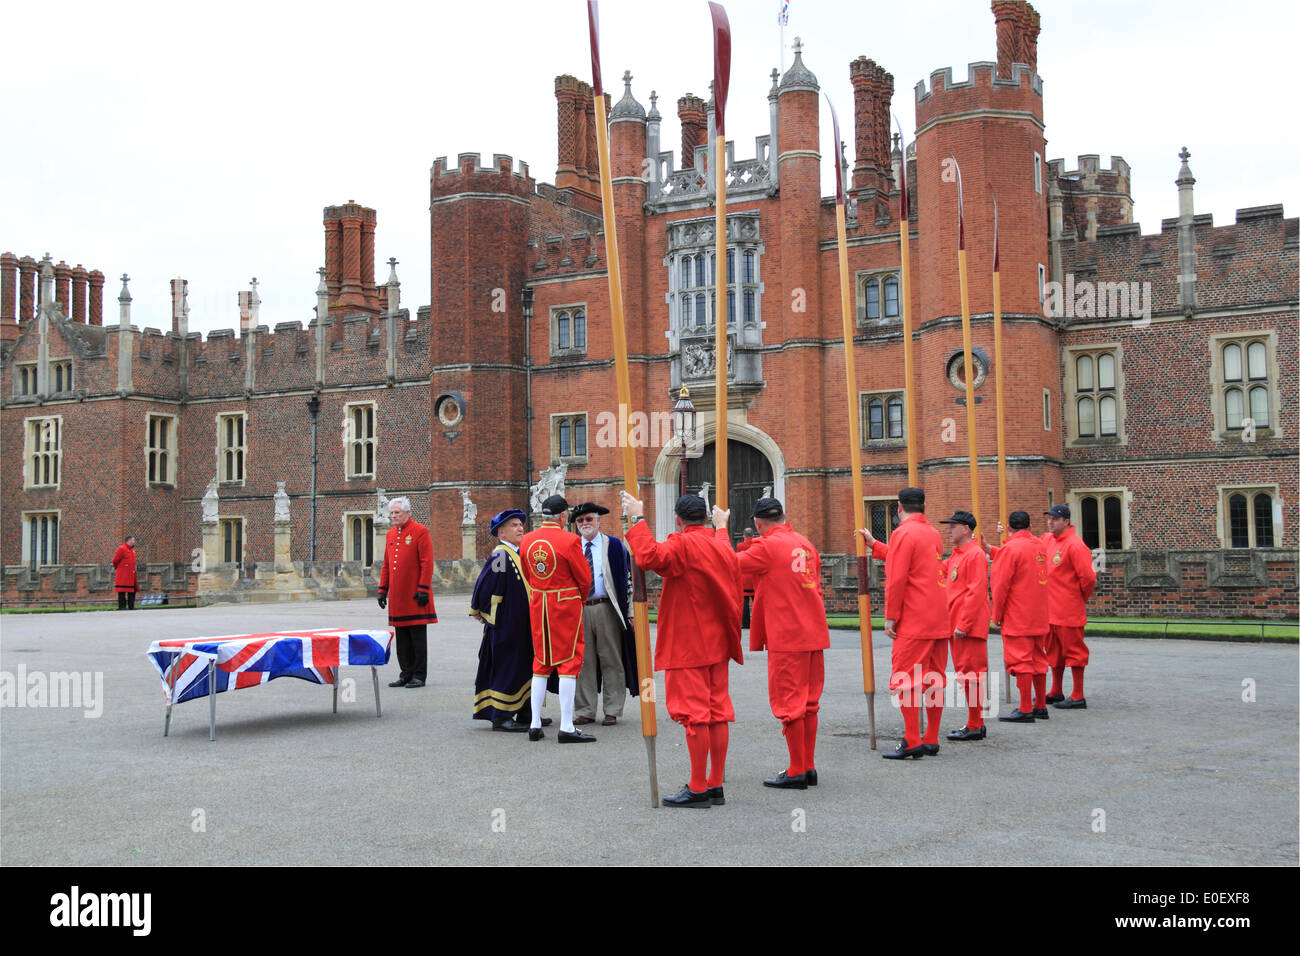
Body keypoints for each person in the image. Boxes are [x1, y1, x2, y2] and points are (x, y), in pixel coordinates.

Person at [622, 491, 742, 809]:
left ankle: (698, 787)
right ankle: (714, 783)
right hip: (717, 642)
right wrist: (722, 527)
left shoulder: (682, 543)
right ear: (705, 517)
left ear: (678, 519)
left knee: (695, 716)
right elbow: (724, 551)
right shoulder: (720, 544)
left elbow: (649, 557)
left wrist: (637, 517)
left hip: (689, 642)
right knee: (717, 713)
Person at [732, 497, 831, 790]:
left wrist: (720, 530)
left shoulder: (766, 546)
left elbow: (727, 565)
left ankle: (797, 769)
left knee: (790, 703)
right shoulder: (804, 542)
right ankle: (808, 766)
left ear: (758, 524)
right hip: (813, 631)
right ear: (784, 516)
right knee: (810, 703)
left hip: (788, 635)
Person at [857, 487, 948, 760]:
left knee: (906, 678)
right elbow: (917, 566)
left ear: (899, 508)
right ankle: (930, 737)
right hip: (938, 616)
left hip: (915, 618)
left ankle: (911, 740)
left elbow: (897, 578)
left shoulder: (903, 533)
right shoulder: (932, 533)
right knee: (934, 678)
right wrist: (876, 544)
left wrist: (890, 616)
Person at [520, 494, 595, 743]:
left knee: (541, 663)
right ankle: (566, 726)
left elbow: (528, 574)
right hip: (565, 605)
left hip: (538, 603)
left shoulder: (527, 539)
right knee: (568, 663)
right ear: (563, 516)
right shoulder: (570, 540)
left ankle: (534, 724)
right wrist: (579, 599)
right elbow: (584, 579)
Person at [470, 508, 548, 732]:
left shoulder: (520, 552)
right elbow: (486, 584)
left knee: (525, 667)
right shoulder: (500, 555)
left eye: (520, 524)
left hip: (523, 624)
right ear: (501, 533)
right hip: (506, 624)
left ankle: (526, 711)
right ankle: (501, 716)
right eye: (514, 525)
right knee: (508, 668)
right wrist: (479, 610)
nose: (520, 528)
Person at [570, 502, 638, 727]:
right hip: (579, 609)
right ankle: (585, 710)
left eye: (589, 519)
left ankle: (612, 709)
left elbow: (627, 579)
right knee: (583, 662)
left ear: (598, 521)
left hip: (607, 607)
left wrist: (629, 612)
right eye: (580, 521)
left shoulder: (615, 545)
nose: (585, 524)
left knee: (611, 659)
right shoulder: (571, 546)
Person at [988, 510, 1051, 722]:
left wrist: (996, 615)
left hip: (1018, 614)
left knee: (1021, 660)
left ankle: (1025, 708)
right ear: (1030, 527)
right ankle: (1040, 705)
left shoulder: (1010, 548)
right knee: (1038, 658)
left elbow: (999, 586)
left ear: (1008, 527)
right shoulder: (1040, 545)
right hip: (1039, 612)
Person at [937, 510, 991, 742]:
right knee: (966, 675)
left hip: (966, 626)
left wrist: (964, 623)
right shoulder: (960, 554)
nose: (948, 530)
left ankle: (975, 724)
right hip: (958, 624)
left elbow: (976, 591)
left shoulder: (974, 554)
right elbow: (933, 568)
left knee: (971, 675)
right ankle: (975, 722)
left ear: (966, 529)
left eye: (953, 526)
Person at [1041, 504, 1096, 708]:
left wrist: (1078, 597)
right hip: (1050, 609)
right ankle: (1056, 690)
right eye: (1049, 519)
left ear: (1066, 521)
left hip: (1068, 609)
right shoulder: (1047, 540)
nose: (1050, 522)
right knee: (1053, 652)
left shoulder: (1075, 544)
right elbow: (1025, 551)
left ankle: (1078, 694)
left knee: (1074, 651)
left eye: (1054, 519)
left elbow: (1088, 578)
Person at [378, 497, 435, 688]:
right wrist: (382, 590)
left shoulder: (420, 531)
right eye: (392, 513)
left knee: (417, 639)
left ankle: (419, 675)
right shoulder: (390, 535)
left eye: (397, 513)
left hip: (415, 595)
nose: (393, 516)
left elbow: (427, 562)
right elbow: (387, 564)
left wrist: (423, 588)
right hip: (397, 597)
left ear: (407, 513)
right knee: (402, 640)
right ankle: (405, 673)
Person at [112, 535, 138, 610]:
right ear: (128, 541)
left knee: (132, 590)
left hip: (131, 574)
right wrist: (121, 568)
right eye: (133, 540)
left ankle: (131, 606)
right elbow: (115, 560)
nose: (134, 542)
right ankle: (122, 606)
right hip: (123, 574)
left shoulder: (132, 550)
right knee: (122, 590)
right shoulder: (122, 548)